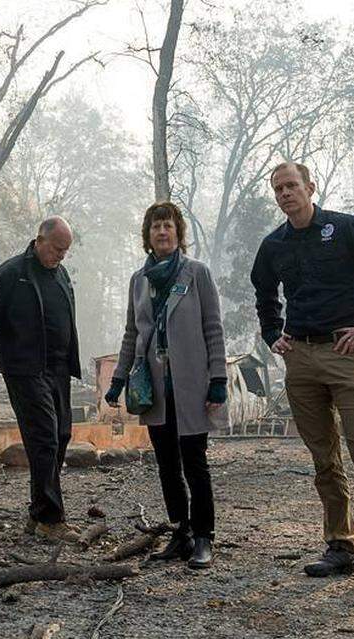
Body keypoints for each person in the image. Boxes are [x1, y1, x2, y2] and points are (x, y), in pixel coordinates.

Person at [250, 161, 354, 585]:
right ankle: (341, 544)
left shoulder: (344, 228)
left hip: (346, 352)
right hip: (300, 358)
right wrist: (272, 335)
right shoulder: (274, 245)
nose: (286, 193)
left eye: (292, 185)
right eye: (279, 188)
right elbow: (264, 293)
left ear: (310, 187)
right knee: (324, 457)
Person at [104, 202, 228, 569]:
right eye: (156, 227)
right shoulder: (139, 280)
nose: (162, 232)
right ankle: (181, 532)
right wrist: (118, 379)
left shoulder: (196, 274)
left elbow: (213, 329)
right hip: (154, 388)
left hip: (191, 383)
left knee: (195, 462)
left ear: (178, 233)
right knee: (166, 465)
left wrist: (218, 379)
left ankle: (205, 536)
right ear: (148, 235)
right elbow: (132, 333)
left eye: (168, 226)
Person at [0, 217, 82, 542]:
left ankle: (39, 513)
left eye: (66, 251)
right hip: (24, 369)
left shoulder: (61, 274)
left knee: (61, 435)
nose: (61, 256)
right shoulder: (11, 273)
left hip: (59, 369)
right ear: (40, 240)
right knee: (44, 437)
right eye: (57, 249)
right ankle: (51, 518)